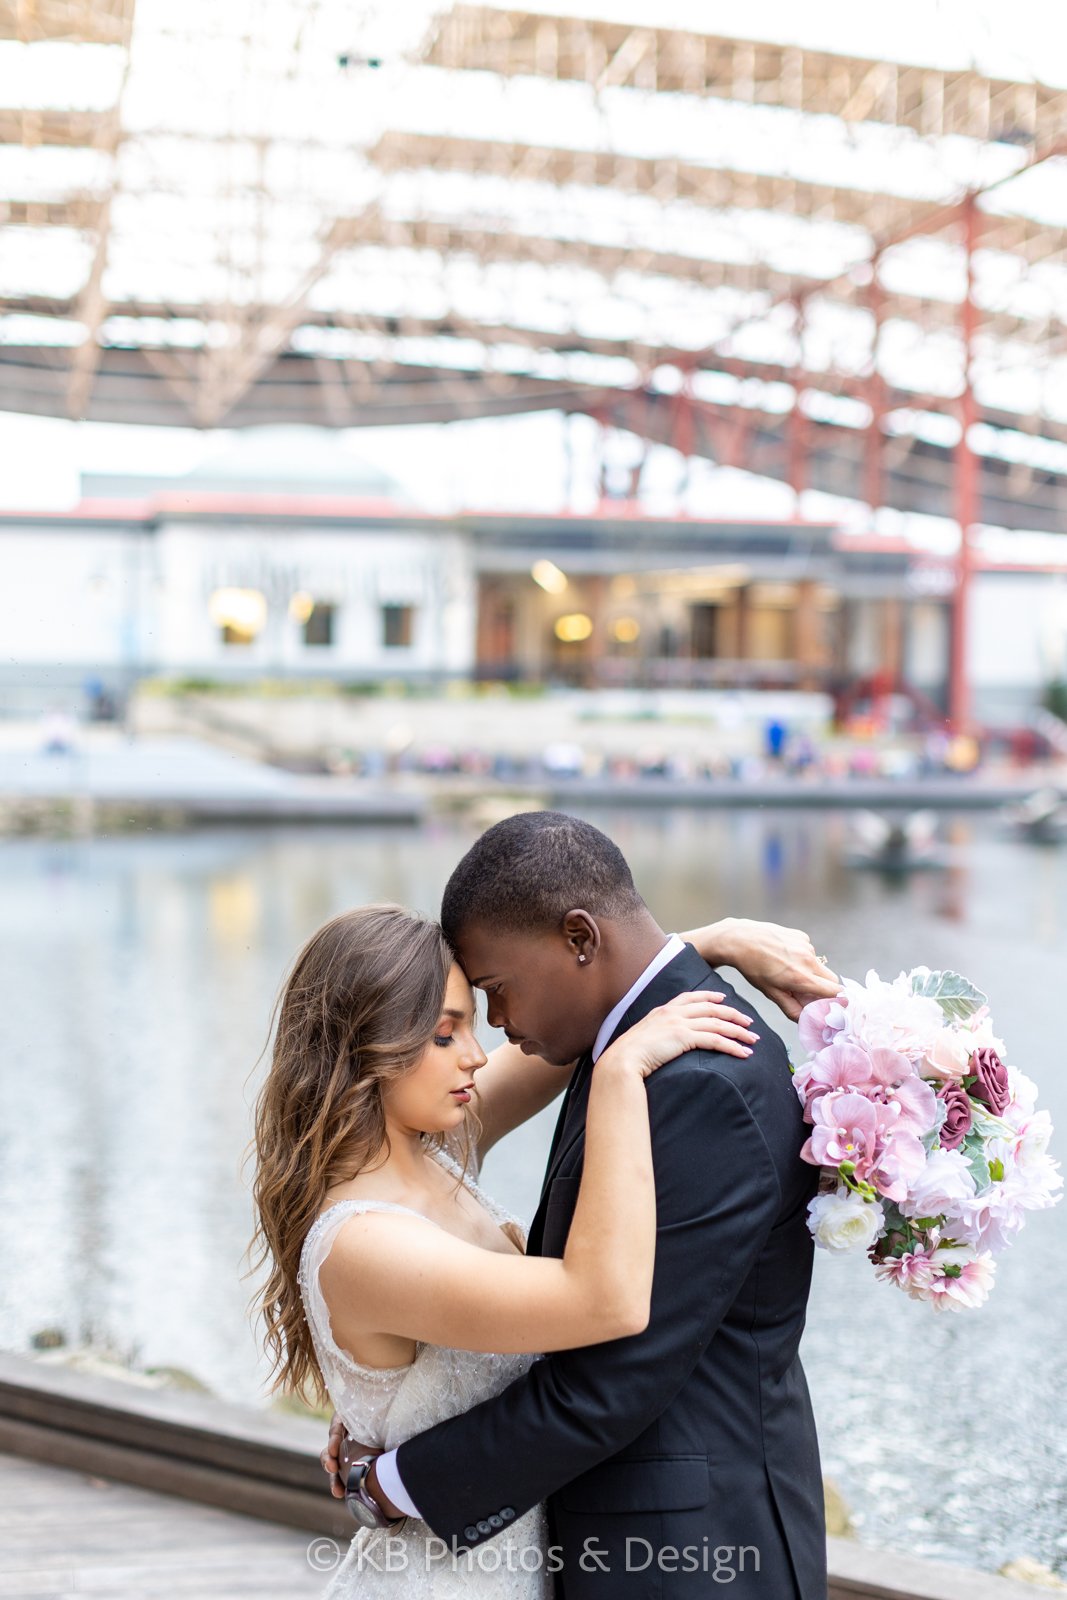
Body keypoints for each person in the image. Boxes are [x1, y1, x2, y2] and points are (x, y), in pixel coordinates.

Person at [318, 813, 836, 1597]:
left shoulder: (690, 1083)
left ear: (581, 941)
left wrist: (386, 1480)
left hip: (688, 1558)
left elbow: (609, 1380)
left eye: (494, 992)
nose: (492, 1036)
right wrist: (708, 942)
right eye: (450, 1029)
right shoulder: (622, 1046)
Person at [253, 900, 764, 1596]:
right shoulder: (363, 1242)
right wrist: (619, 1075)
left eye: (470, 1021)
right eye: (444, 1033)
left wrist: (714, 942)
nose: (475, 1054)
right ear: (363, 1050)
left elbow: (557, 1035)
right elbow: (604, 1300)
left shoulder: (430, 1150)